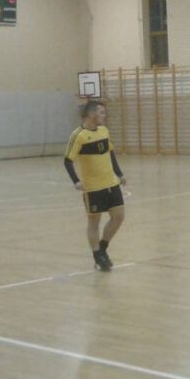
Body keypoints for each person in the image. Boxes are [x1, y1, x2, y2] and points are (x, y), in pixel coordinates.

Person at [64, 100, 126, 272]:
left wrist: (119, 174)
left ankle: (102, 249)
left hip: (111, 184)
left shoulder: (104, 131)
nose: (104, 116)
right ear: (92, 114)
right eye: (101, 113)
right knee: (94, 222)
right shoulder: (78, 135)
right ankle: (97, 256)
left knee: (119, 217)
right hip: (93, 188)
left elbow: (110, 153)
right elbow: (67, 160)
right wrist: (76, 180)